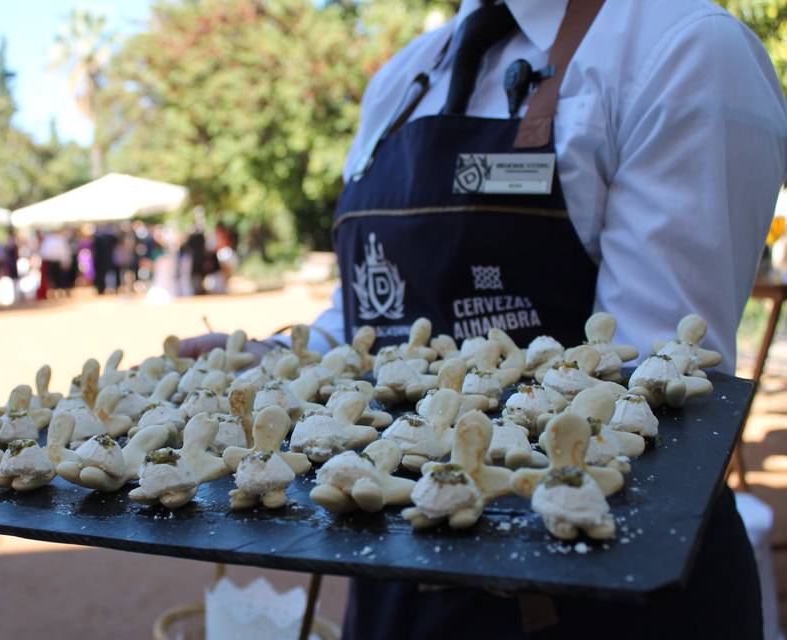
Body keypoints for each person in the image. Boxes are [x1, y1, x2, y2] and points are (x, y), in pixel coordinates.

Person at [181, 1, 787, 638]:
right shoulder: (402, 78)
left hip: (585, 598)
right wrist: (285, 363)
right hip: (395, 575)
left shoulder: (684, 48)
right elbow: (373, 304)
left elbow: (652, 381)